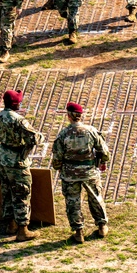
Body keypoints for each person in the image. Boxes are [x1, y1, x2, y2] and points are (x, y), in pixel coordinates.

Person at [51, 101, 109, 244]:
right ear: (80, 116)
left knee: (73, 201)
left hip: (70, 174)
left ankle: (78, 232)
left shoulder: (63, 134)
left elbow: (57, 157)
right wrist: (103, 162)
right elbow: (104, 150)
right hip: (89, 171)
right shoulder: (91, 131)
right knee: (95, 197)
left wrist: (58, 167)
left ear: (69, 116)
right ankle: (102, 226)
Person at [0, 89, 43, 241]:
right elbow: (33, 138)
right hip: (17, 161)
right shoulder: (19, 120)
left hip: (2, 158)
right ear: (15, 104)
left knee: (6, 191)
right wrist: (39, 138)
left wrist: (0, 153)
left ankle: (11, 224)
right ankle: (23, 229)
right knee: (21, 193)